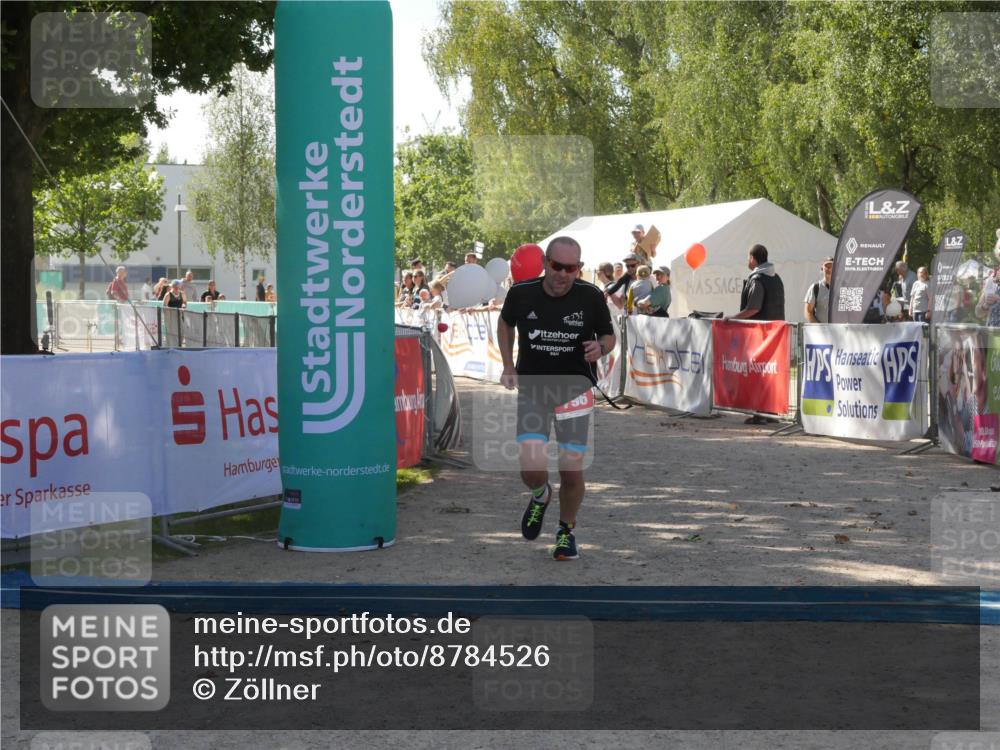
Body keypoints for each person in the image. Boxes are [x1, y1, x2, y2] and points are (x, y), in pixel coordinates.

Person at [497, 236, 615, 561]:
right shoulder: (521, 293)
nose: (563, 274)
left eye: (571, 268)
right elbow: (505, 323)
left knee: (571, 470)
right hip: (534, 389)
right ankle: (540, 494)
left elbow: (609, 335)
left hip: (575, 390)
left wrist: (601, 347)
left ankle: (565, 532)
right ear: (544, 263)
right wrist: (508, 364)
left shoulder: (590, 296)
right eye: (557, 266)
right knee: (531, 467)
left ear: (579, 268)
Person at [728, 244, 785, 321]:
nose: (747, 260)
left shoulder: (757, 279)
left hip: (761, 328)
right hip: (777, 327)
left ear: (752, 258)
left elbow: (753, 308)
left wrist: (733, 318)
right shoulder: (777, 278)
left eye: (748, 258)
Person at [803, 257, 834, 323]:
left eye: (831, 266)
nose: (829, 268)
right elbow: (808, 312)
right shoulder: (815, 287)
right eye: (826, 266)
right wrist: (819, 327)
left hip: (840, 329)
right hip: (820, 329)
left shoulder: (842, 288)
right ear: (822, 268)